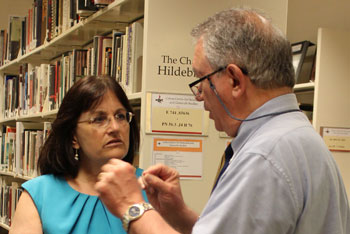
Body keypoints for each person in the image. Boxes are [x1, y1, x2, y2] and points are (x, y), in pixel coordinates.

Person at [95, 8, 350, 234]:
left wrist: (132, 206)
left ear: (235, 81)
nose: (198, 97)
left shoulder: (264, 156)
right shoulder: (297, 136)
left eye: (201, 81)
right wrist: (180, 215)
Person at [10, 75, 148, 234]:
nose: (115, 127)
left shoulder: (151, 187)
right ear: (73, 137)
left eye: (120, 116)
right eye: (99, 119)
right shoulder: (40, 194)